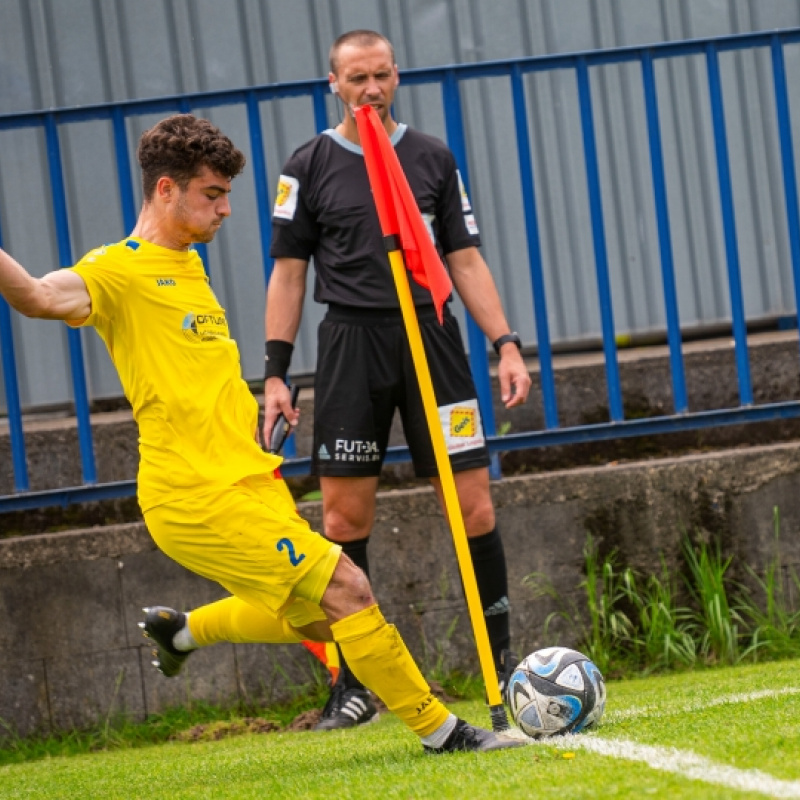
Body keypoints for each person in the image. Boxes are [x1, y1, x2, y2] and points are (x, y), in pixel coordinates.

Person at [0, 113, 527, 755]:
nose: (225, 210)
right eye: (212, 195)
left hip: (249, 480)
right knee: (349, 588)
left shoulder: (188, 266)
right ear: (166, 190)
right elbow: (35, 294)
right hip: (194, 495)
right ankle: (445, 734)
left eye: (226, 195)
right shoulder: (117, 271)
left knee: (318, 617)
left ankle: (183, 633)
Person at [264, 30, 532, 731]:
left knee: (473, 509)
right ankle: (354, 685)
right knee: (343, 521)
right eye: (357, 79)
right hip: (352, 346)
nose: (371, 91)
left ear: (396, 77)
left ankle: (501, 666)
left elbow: (464, 257)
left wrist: (505, 344)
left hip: (434, 343)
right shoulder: (308, 165)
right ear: (333, 84)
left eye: (381, 76)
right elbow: (289, 273)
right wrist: (275, 372)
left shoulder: (432, 156)